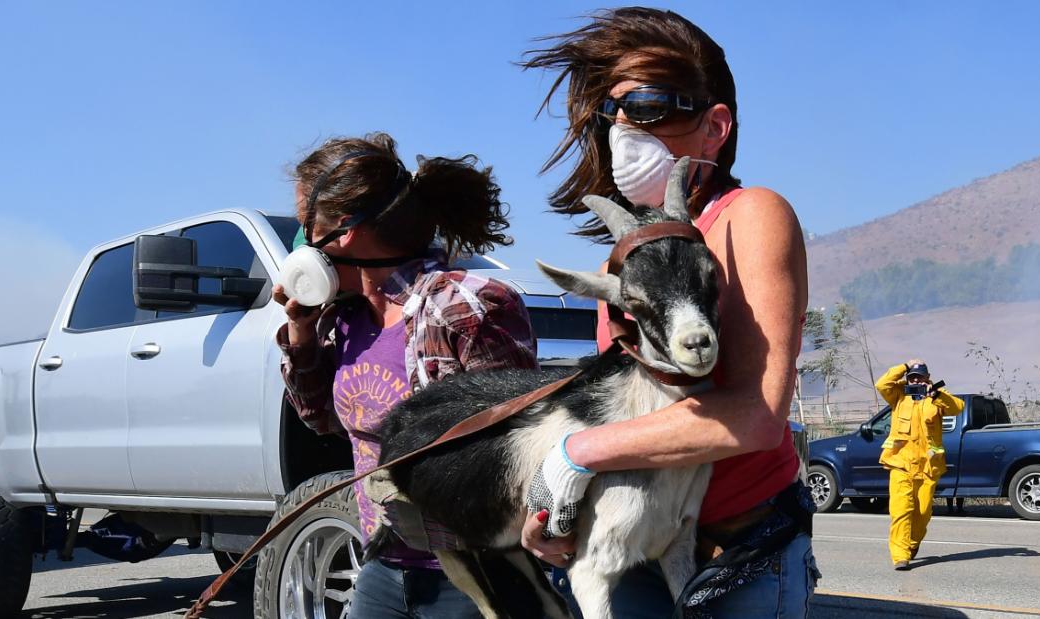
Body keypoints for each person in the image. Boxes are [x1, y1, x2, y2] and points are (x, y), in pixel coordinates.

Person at [519, 8, 818, 617]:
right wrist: (550, 500)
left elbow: (758, 416)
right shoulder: (625, 257)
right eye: (614, 109)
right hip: (631, 548)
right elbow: (617, 404)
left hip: (730, 557)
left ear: (715, 126)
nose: (625, 124)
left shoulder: (749, 216)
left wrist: (576, 455)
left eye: (650, 105)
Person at [274, 133, 538, 618]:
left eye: (303, 224)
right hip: (383, 560)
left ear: (343, 231)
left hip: (470, 572)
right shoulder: (345, 318)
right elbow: (320, 420)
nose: (300, 241)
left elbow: (518, 445)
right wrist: (301, 331)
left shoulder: (465, 305)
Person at [874, 359, 963, 570]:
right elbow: (882, 384)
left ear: (927, 378)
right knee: (901, 510)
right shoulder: (898, 395)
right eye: (911, 377)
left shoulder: (936, 397)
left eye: (919, 377)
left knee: (922, 512)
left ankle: (912, 543)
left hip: (927, 467)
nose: (915, 380)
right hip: (901, 464)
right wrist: (905, 366)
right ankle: (900, 555)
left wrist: (936, 394)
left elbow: (957, 407)